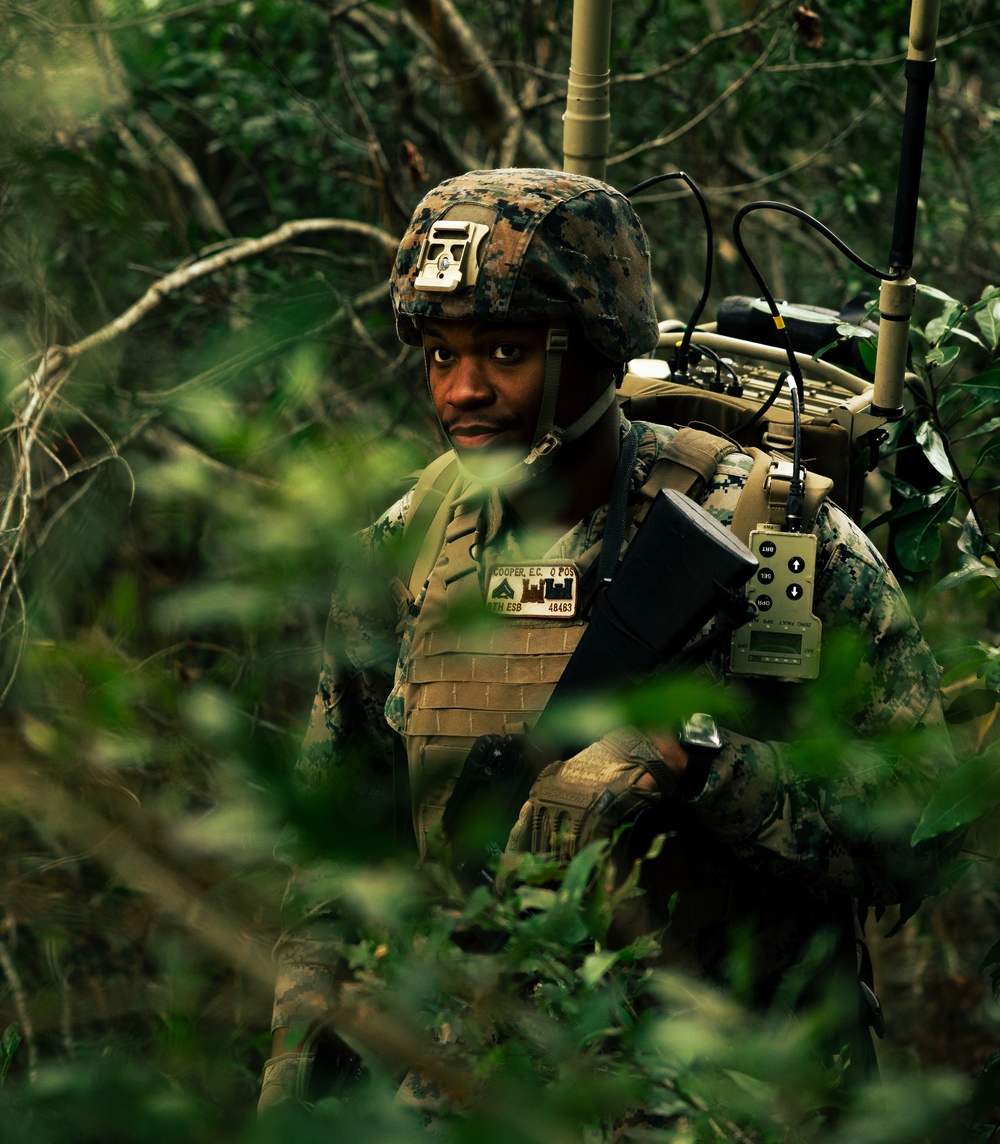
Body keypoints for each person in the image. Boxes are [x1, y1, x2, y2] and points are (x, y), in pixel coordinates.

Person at [259, 168, 952, 1110]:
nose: (462, 390)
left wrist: (699, 760)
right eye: (438, 354)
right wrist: (296, 1066)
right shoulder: (409, 545)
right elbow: (334, 857)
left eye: (505, 350)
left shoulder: (773, 533)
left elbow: (925, 823)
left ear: (598, 349)